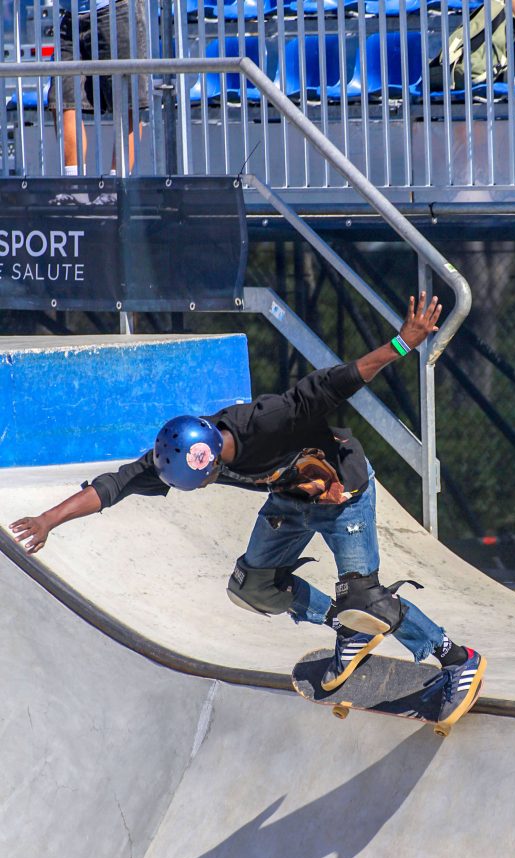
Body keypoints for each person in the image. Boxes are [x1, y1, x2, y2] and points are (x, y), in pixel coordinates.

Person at [10, 292, 486, 729]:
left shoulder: (270, 419)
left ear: (216, 455)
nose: (211, 483)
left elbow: (337, 381)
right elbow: (113, 486)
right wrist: (48, 520)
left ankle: (455, 657)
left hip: (342, 494)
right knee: (252, 586)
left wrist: (402, 345)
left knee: (367, 599)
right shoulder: (175, 454)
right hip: (288, 502)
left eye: (211, 477)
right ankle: (347, 629)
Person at [48, 0, 149, 176]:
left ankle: (116, 189)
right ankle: (75, 189)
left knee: (127, 103)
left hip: (116, 8)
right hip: (70, 14)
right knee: (62, 100)